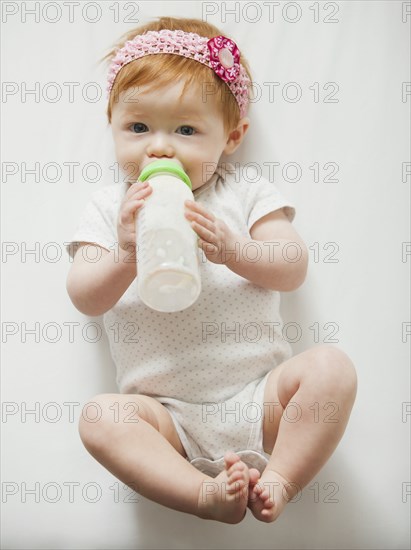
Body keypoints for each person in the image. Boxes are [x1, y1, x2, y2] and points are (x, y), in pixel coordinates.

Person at [65, 16, 357, 524]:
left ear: (232, 136)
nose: (159, 146)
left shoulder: (244, 195)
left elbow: (292, 268)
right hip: (166, 418)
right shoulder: (110, 208)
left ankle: (279, 480)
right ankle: (203, 494)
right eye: (138, 127)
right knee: (98, 417)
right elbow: (86, 297)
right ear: (111, 124)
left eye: (186, 129)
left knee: (331, 368)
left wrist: (233, 251)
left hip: (261, 398)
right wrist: (128, 252)